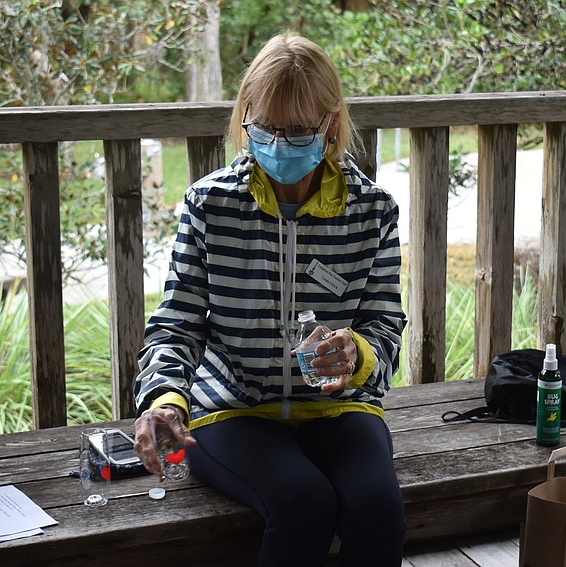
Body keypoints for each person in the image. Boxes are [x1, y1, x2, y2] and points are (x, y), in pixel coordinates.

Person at [132, 34, 408, 567]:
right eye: (265, 127)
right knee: (303, 502)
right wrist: (165, 399)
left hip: (340, 408)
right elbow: (176, 325)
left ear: (330, 125)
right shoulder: (210, 205)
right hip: (234, 412)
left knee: (378, 510)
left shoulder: (373, 211)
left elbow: (384, 323)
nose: (281, 143)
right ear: (245, 117)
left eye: (300, 129)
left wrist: (357, 354)